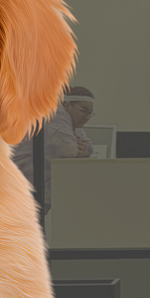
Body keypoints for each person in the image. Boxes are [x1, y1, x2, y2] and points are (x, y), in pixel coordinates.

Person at [29, 85, 94, 214]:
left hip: (44, 191)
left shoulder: (73, 122)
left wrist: (86, 148)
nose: (87, 117)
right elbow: (68, 151)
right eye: (84, 110)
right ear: (67, 105)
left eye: (90, 113)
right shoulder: (55, 115)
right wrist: (82, 149)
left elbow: (89, 146)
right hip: (29, 191)